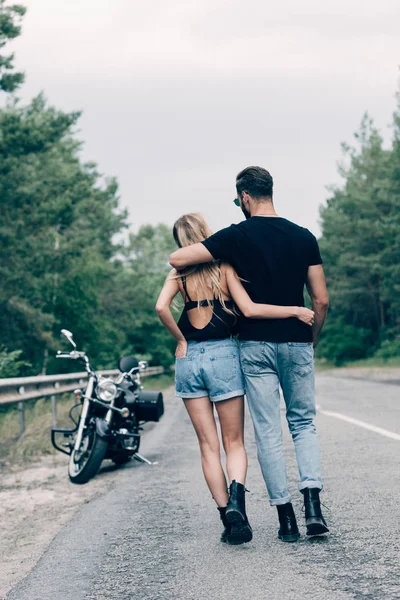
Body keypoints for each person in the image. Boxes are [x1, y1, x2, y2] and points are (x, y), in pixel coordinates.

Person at [169, 167, 330, 542]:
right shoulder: (304, 236)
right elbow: (320, 299)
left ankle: (286, 520)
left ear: (243, 197)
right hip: (296, 340)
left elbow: (178, 259)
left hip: (255, 345)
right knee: (303, 424)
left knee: (268, 432)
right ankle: (313, 507)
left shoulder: (234, 237)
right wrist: (312, 338)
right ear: (270, 191)